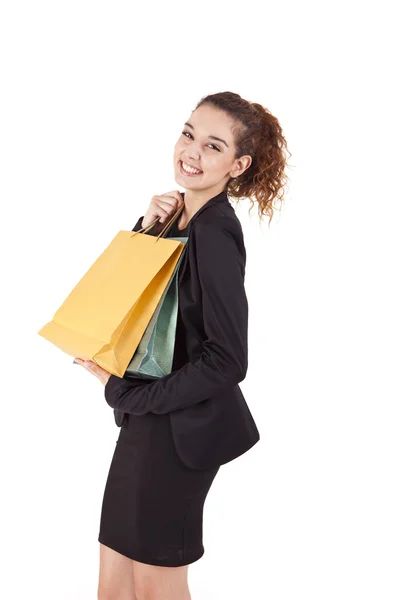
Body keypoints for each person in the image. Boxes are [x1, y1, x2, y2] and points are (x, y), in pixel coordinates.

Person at [74, 91, 291, 600]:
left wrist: (127, 396)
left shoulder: (215, 232)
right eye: (189, 133)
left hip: (181, 432)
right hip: (151, 420)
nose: (191, 151)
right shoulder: (178, 220)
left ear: (238, 165)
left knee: (153, 582)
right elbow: (139, 303)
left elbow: (228, 359)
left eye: (213, 146)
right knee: (114, 573)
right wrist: (149, 228)